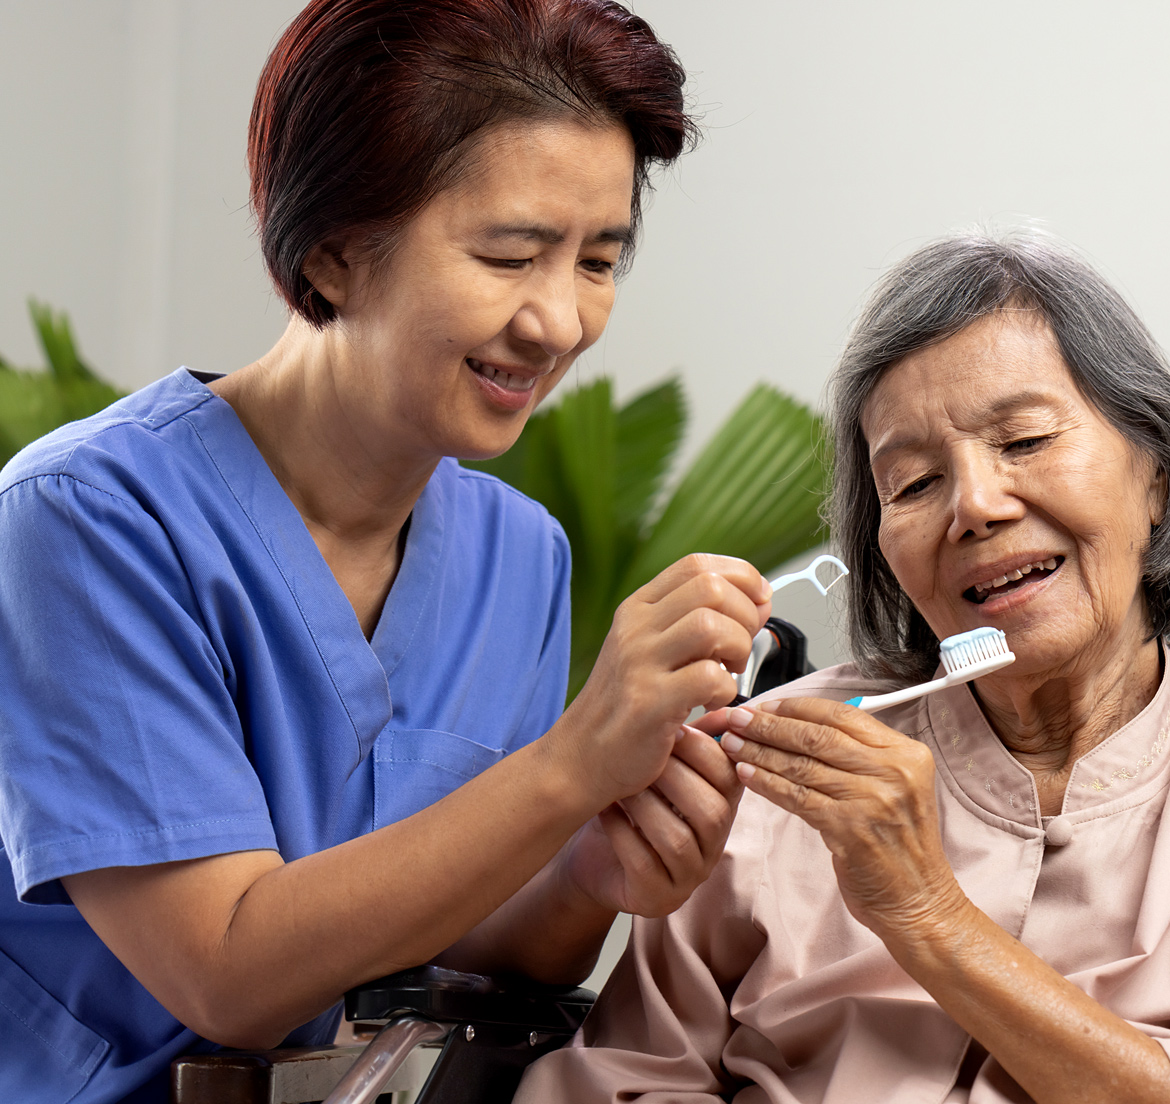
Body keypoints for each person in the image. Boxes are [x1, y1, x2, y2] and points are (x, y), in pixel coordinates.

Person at [0, 3, 761, 1101]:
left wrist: (592, 873)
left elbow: (458, 953)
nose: (558, 321)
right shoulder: (87, 518)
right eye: (509, 255)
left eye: (598, 261)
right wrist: (571, 764)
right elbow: (228, 974)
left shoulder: (518, 555)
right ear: (331, 250)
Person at [517, 231, 1170, 1104]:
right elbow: (630, 1077)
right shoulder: (774, 781)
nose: (974, 505)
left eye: (1024, 441)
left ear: (1157, 476)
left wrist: (928, 914)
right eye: (914, 483)